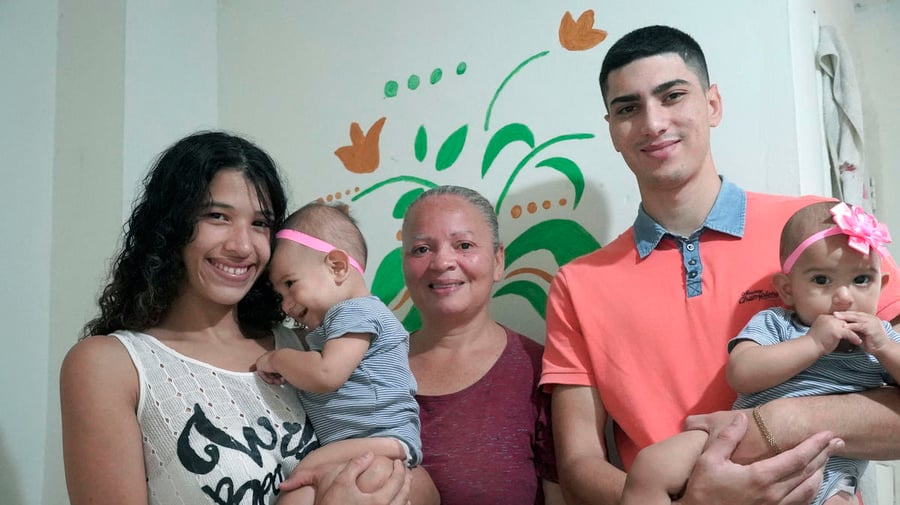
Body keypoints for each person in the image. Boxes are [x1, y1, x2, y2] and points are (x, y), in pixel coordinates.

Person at [539, 25, 900, 505]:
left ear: (713, 105)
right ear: (612, 129)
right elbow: (579, 467)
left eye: (672, 96)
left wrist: (779, 423)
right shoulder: (577, 285)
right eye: (628, 108)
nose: (653, 123)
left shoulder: (825, 236)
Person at [60, 131, 436, 505]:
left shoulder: (305, 347)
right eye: (217, 216)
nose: (242, 246)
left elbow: (416, 479)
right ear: (171, 225)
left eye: (260, 224)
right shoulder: (110, 365)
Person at [621, 200, 900, 505]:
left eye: (861, 280)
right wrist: (813, 345)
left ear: (882, 284)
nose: (845, 297)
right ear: (787, 289)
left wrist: (885, 349)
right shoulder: (777, 323)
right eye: (821, 280)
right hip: (733, 443)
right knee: (650, 465)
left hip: (828, 469)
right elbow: (741, 374)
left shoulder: (881, 338)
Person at [400, 185, 564, 505]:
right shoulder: (365, 368)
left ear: (498, 260)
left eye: (463, 245)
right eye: (421, 249)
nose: (442, 262)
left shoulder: (539, 373)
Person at [253, 201, 422, 504]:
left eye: (290, 284)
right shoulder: (340, 324)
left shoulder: (354, 312)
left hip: (380, 441)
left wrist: (277, 358)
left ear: (337, 267)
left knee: (300, 479)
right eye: (279, 295)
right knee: (301, 495)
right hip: (365, 444)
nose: (286, 304)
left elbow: (326, 374)